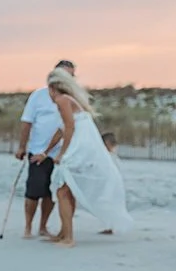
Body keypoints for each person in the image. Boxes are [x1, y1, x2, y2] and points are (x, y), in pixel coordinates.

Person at [43, 69, 134, 247]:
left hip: (79, 148)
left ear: (53, 88)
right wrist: (46, 151)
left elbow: (69, 128)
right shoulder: (71, 100)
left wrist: (62, 153)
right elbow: (61, 130)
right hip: (83, 147)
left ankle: (68, 238)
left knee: (62, 191)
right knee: (66, 190)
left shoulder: (62, 100)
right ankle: (64, 233)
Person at [15, 59, 76, 238]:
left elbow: (70, 126)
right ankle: (28, 226)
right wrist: (22, 146)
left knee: (56, 191)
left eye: (71, 75)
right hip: (39, 149)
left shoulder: (74, 97)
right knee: (34, 190)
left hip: (65, 152)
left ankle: (45, 226)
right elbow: (27, 122)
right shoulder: (39, 96)